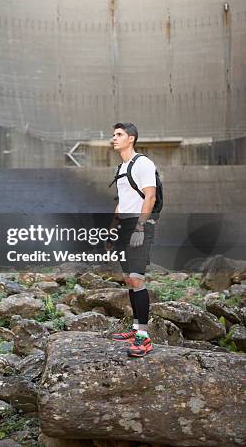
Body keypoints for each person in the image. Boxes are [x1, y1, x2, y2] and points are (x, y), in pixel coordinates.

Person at [108, 122, 157, 357]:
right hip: (124, 227)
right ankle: (136, 327)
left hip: (139, 227)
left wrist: (140, 227)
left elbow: (150, 196)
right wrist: (112, 229)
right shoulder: (122, 167)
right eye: (113, 135)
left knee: (137, 279)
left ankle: (144, 338)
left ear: (132, 138)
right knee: (129, 279)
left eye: (119, 135)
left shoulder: (143, 163)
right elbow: (122, 201)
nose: (114, 138)